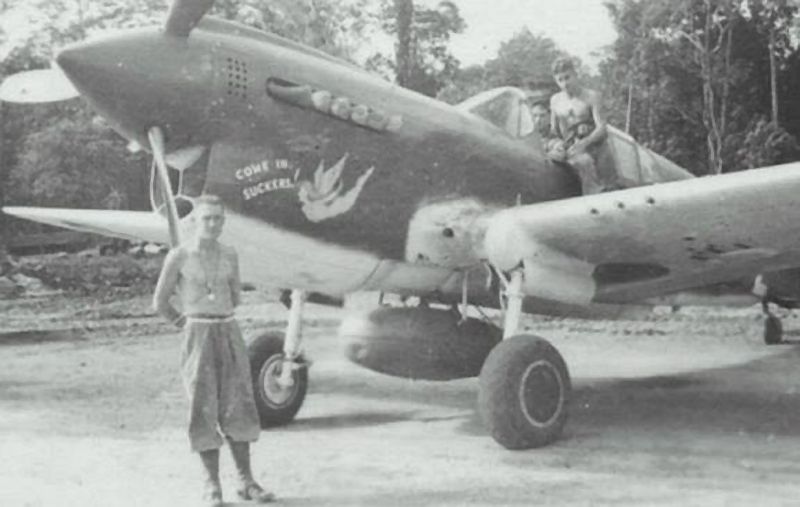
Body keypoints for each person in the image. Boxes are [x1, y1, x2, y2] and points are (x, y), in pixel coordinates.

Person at [153, 194, 274, 506]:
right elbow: (160, 302)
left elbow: (235, 297)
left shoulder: (230, 254)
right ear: (194, 221)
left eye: (218, 218)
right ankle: (212, 486)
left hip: (228, 329)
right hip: (198, 331)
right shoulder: (178, 256)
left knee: (240, 403)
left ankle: (246, 482)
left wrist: (220, 317)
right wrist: (188, 325)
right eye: (206, 218)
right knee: (202, 406)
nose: (212, 224)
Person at [548, 57, 608, 194]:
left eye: (567, 77)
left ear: (575, 74)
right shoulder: (555, 100)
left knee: (584, 162)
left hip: (589, 147)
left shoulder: (592, 96)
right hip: (566, 147)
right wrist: (557, 145)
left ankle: (593, 196)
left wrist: (584, 143)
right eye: (560, 80)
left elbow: (601, 127)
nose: (565, 83)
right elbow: (553, 131)